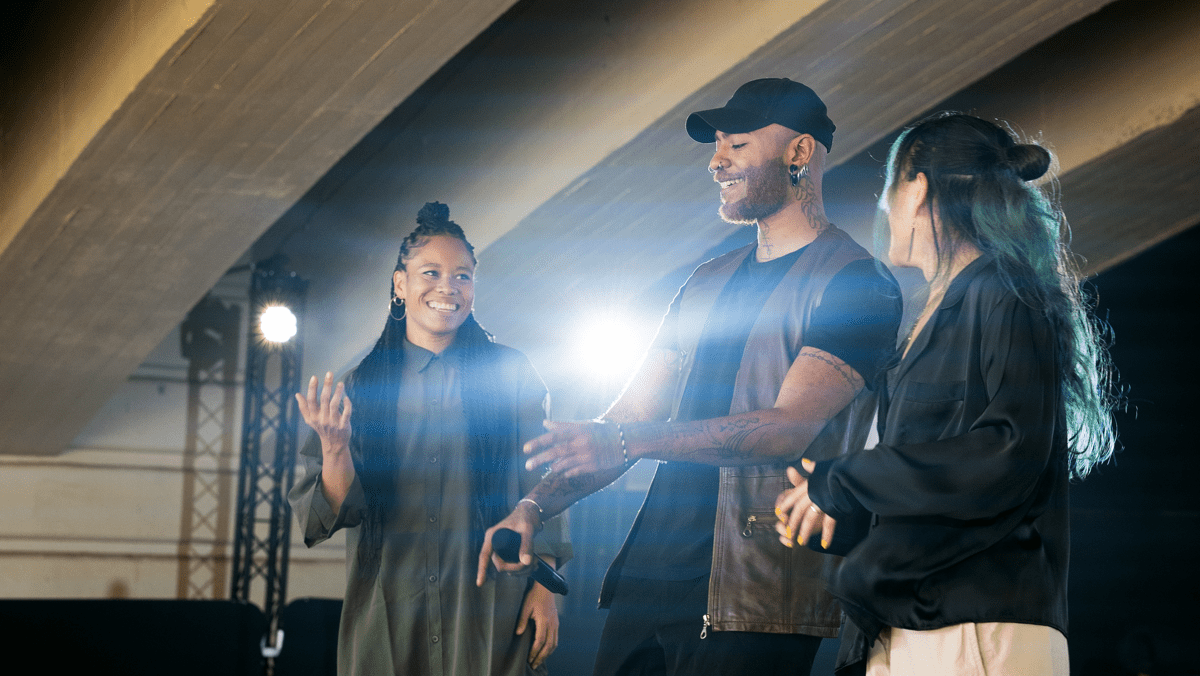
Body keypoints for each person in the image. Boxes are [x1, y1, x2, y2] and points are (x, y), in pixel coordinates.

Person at [476, 78, 902, 675]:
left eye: (738, 144)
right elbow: (626, 421)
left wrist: (628, 440)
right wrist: (533, 506)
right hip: (647, 583)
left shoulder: (856, 283)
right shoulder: (705, 281)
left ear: (799, 153)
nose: (716, 161)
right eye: (716, 146)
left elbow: (788, 429)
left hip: (753, 595)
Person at [774, 113, 1119, 675]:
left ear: (920, 188)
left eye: (891, 186)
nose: (883, 206)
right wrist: (839, 510)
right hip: (910, 630)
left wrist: (846, 479)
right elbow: (931, 485)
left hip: (977, 629)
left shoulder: (1004, 291)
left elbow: (1007, 452)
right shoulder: (923, 325)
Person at [289, 202, 572, 676]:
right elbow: (328, 517)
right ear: (400, 284)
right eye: (431, 272)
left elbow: (546, 478)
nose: (448, 287)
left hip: (490, 620)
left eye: (462, 276)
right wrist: (336, 448)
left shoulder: (511, 374)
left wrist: (546, 589)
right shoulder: (361, 387)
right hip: (390, 623)